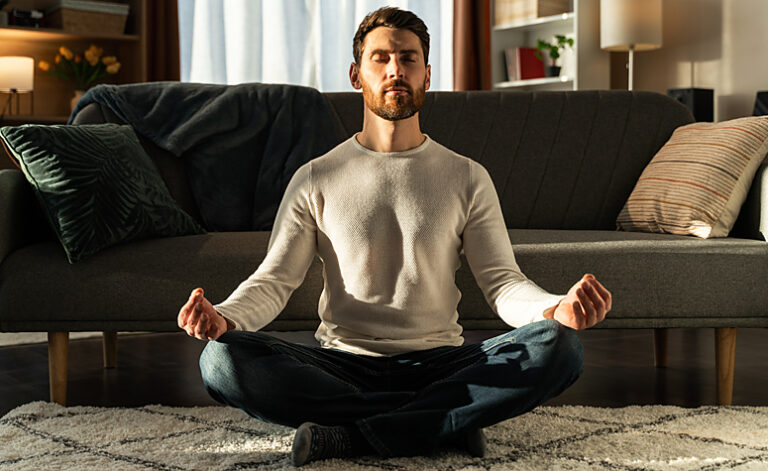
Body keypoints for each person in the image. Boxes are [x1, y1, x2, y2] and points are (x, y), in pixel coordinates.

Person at [178, 6, 611, 467]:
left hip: (440, 363)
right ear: (356, 74)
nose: (395, 70)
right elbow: (274, 280)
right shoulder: (315, 178)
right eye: (381, 58)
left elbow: (503, 282)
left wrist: (554, 308)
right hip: (342, 364)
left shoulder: (467, 176)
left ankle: (351, 436)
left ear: (427, 75)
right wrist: (225, 317)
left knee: (560, 346)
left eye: (408, 58)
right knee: (220, 361)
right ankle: (443, 423)